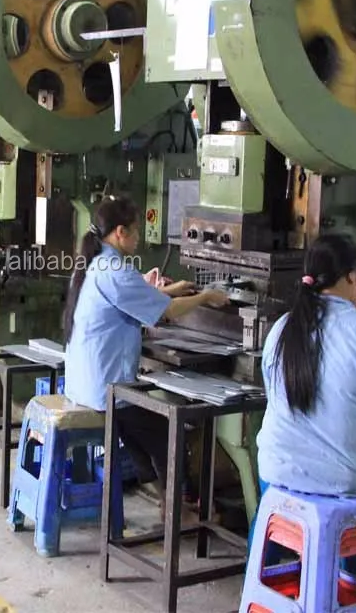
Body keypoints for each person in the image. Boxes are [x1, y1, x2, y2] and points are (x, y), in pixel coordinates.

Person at [62, 196, 230, 521]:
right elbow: (168, 312)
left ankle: (166, 500)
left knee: (138, 431)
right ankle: (176, 510)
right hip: (106, 390)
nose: (139, 237)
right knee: (168, 432)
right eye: (136, 231)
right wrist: (205, 296)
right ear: (120, 232)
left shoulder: (96, 264)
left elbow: (135, 298)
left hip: (85, 383)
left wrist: (174, 289)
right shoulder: (116, 270)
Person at [250, 233, 356, 554]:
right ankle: (351, 582)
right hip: (346, 489)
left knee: (271, 553)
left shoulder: (283, 328)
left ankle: (268, 580)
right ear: (353, 276)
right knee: (351, 570)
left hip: (278, 478)